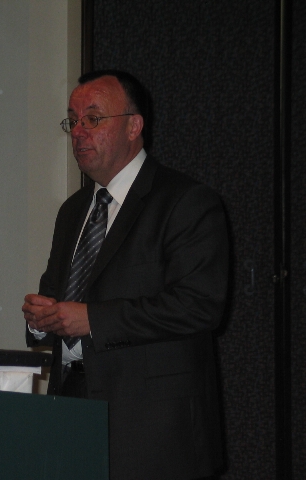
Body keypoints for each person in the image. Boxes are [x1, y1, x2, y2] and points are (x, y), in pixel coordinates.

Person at [22, 70, 229, 480]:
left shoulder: (185, 202)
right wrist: (40, 318)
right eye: (72, 120)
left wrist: (92, 320)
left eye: (93, 118)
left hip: (152, 430)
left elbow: (199, 306)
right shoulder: (72, 211)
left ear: (134, 126)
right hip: (72, 413)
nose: (78, 131)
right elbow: (57, 294)